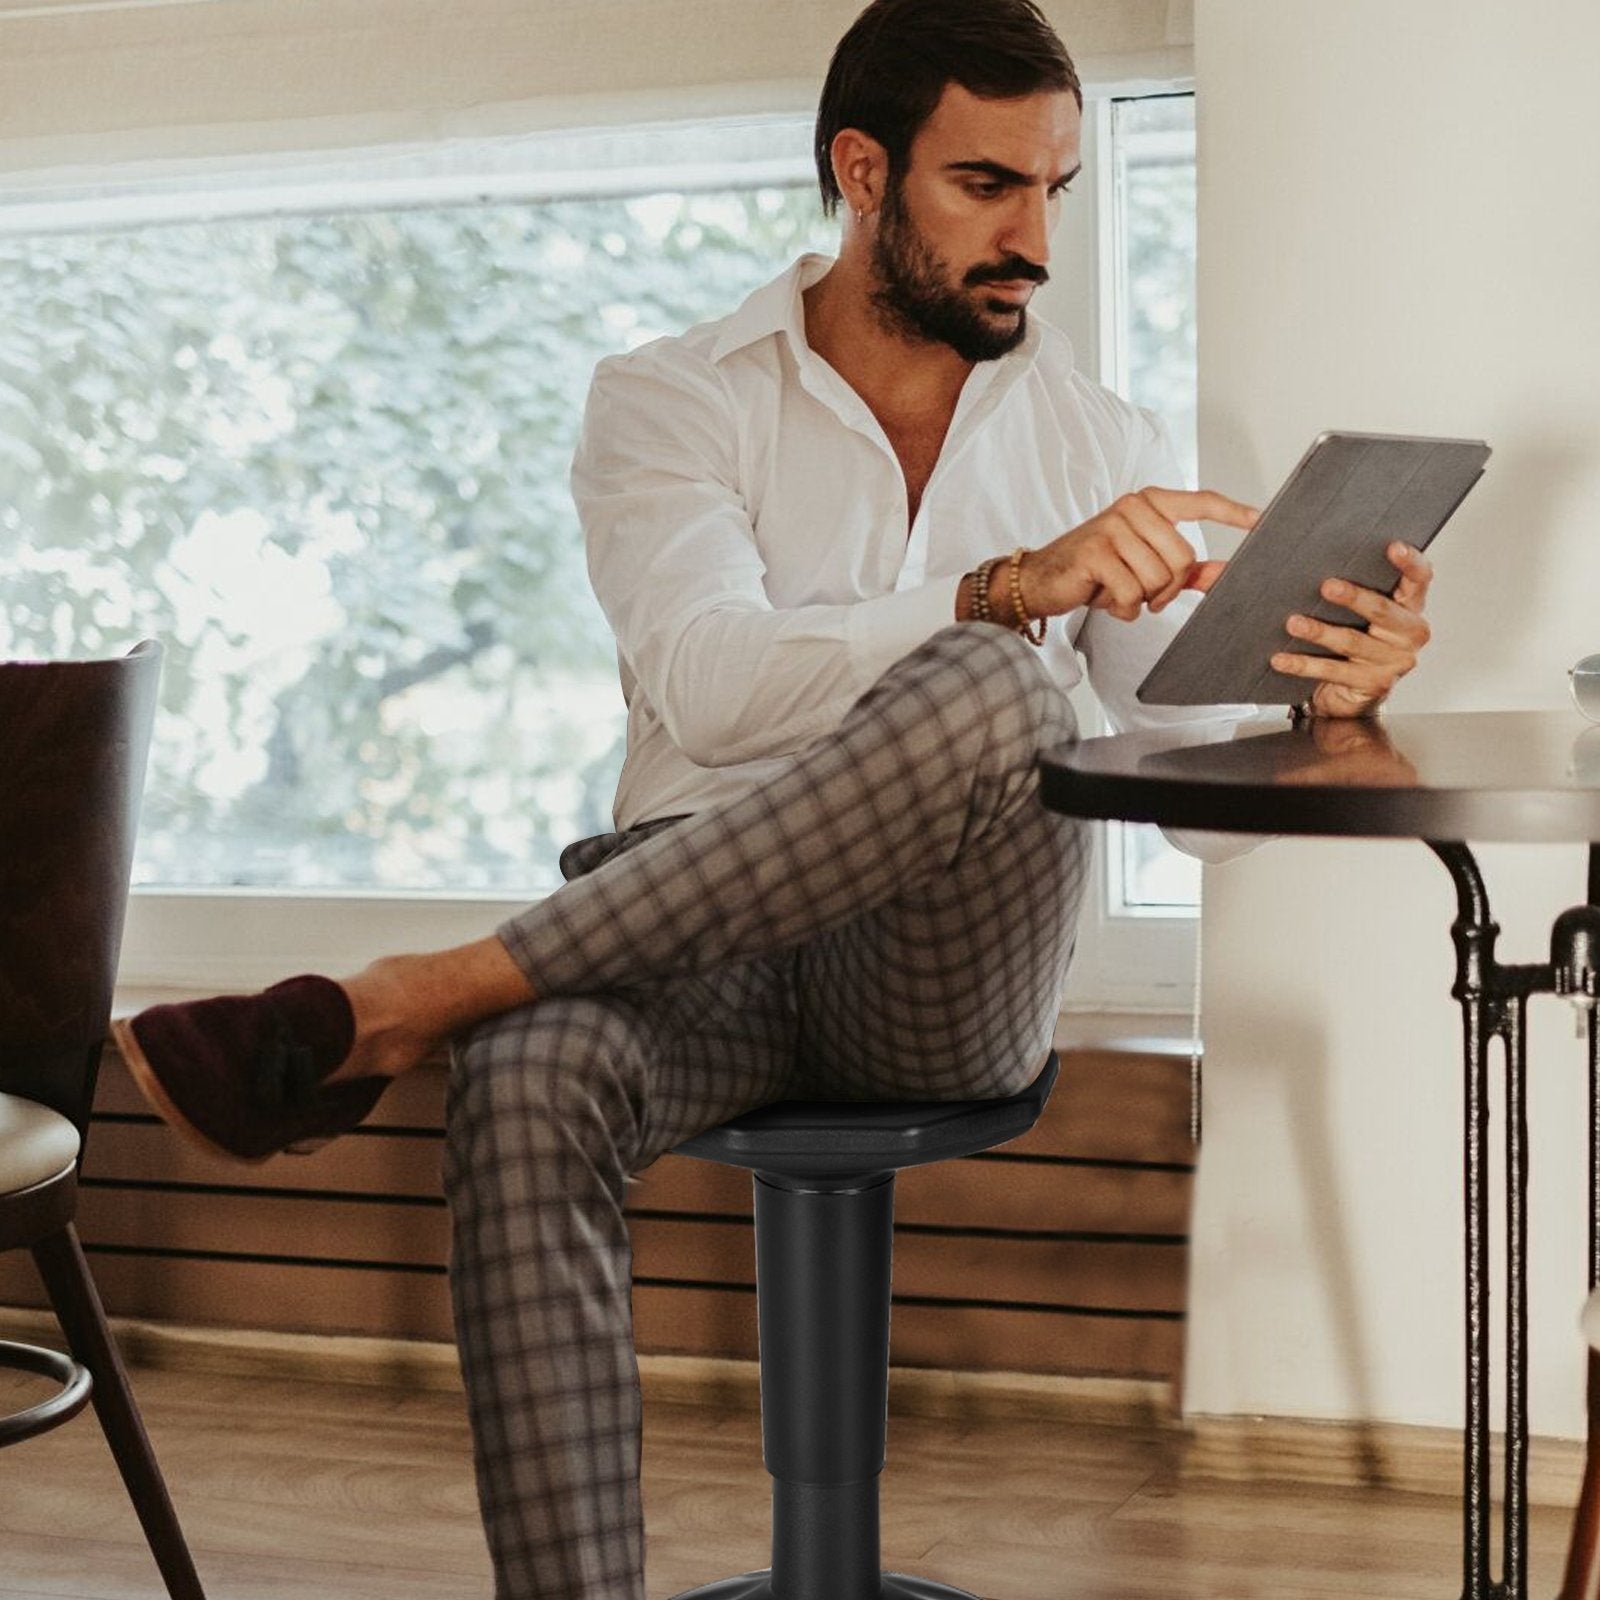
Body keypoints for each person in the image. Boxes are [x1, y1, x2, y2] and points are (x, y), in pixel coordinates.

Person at [113, 1, 1435, 1594]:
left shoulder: (1102, 436)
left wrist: (1314, 704)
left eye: (1055, 192)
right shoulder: (670, 399)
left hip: (937, 973)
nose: (1032, 239)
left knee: (1004, 685)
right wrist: (1008, 579)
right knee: (528, 1082)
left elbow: (1197, 814)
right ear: (861, 170)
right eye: (985, 185)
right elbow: (715, 686)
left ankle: (426, 993)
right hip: (687, 947)